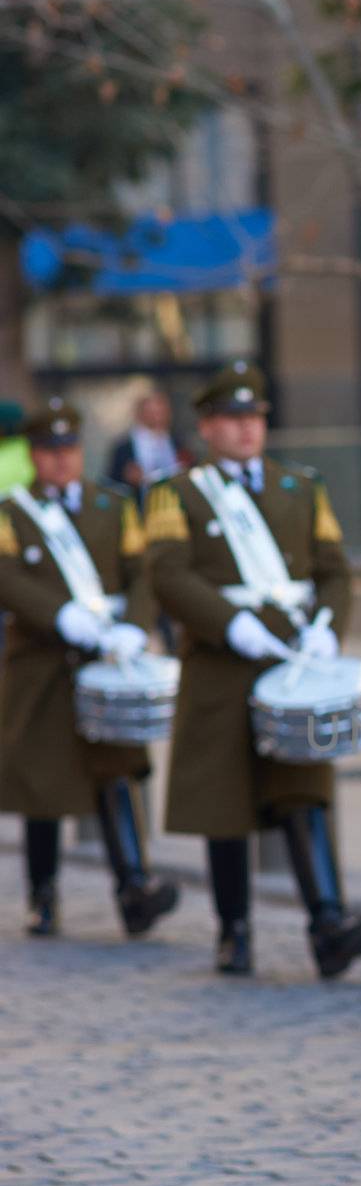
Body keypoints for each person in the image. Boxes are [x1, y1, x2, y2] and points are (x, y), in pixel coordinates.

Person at [145, 360, 361, 980]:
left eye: (253, 419)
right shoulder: (179, 493)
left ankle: (328, 923)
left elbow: (333, 568)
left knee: (304, 791)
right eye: (232, 420)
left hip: (296, 660)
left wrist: (329, 623)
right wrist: (228, 623)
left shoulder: (300, 488)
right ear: (206, 427)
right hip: (223, 665)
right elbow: (168, 573)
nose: (246, 431)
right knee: (226, 804)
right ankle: (233, 931)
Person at [0, 398, 179, 938]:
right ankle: (43, 895)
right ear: (34, 456)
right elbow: (6, 578)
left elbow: (141, 572)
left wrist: (137, 624)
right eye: (51, 452)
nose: (61, 460)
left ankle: (134, 887)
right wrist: (58, 615)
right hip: (43, 665)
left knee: (115, 771)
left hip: (107, 661)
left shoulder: (113, 505)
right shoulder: (12, 512)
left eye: (69, 450)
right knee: (45, 785)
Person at [108, 390, 183, 502]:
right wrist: (128, 480)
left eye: (160, 412)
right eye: (151, 412)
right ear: (139, 414)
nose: (157, 417)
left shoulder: (179, 443)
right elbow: (111, 486)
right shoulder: (124, 448)